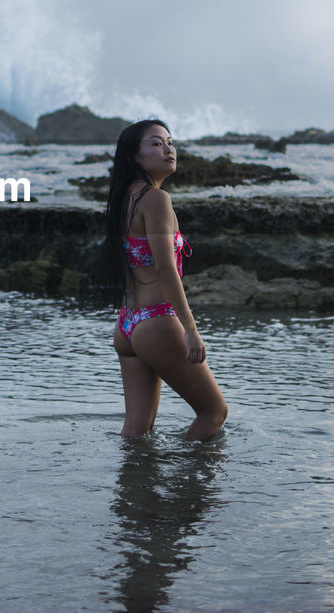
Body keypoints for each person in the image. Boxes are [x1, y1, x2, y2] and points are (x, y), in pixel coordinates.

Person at [100, 119, 227, 441]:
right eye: (156, 143)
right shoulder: (157, 200)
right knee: (213, 413)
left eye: (170, 142)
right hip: (156, 321)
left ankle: (136, 488)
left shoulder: (122, 198)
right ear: (134, 156)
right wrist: (191, 331)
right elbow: (166, 269)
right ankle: (184, 487)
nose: (168, 149)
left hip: (127, 325)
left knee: (135, 431)